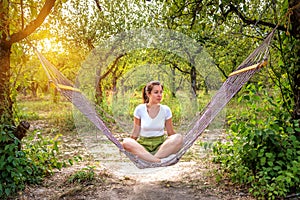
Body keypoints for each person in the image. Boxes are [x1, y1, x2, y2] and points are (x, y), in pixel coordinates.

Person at [122, 81, 183, 163]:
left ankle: (150, 159)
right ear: (148, 93)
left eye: (161, 92)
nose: (159, 95)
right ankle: (158, 161)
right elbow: (136, 132)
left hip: (160, 147)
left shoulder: (166, 110)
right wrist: (129, 145)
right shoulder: (140, 109)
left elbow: (171, 133)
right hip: (143, 147)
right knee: (126, 141)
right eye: (156, 92)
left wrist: (177, 142)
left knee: (178, 137)